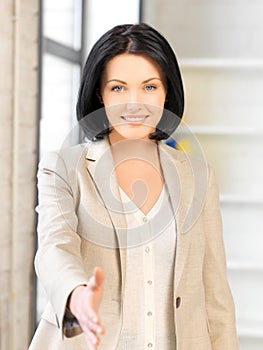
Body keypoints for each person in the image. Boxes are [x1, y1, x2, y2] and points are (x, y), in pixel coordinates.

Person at [29, 23, 239, 350]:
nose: (134, 104)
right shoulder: (63, 169)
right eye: (118, 88)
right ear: (99, 93)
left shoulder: (200, 176)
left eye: (149, 87)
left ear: (167, 92)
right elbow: (55, 248)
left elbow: (216, 297)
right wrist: (77, 295)